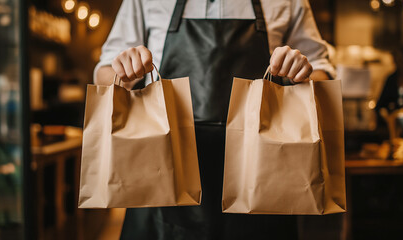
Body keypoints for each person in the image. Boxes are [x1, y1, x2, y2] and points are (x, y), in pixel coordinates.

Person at [94, 0, 335, 239]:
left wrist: (302, 74)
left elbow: (322, 74)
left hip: (265, 177)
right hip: (163, 173)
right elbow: (104, 76)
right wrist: (124, 73)